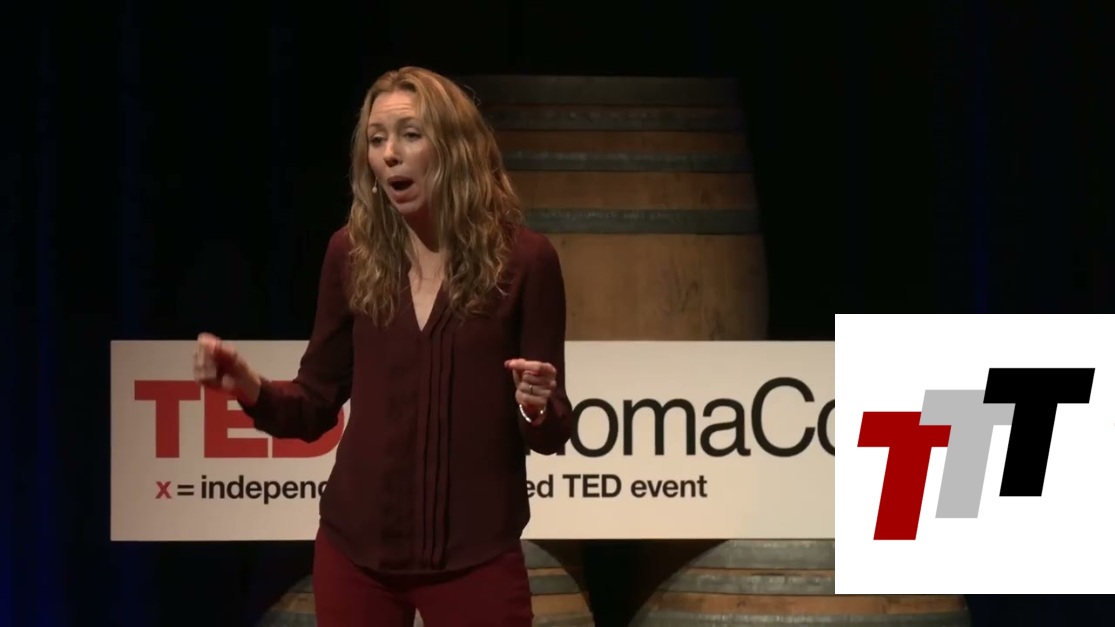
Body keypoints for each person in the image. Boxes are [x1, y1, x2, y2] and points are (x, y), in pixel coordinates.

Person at [192, 66, 573, 627]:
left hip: (476, 556)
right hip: (356, 555)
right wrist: (250, 388)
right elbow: (315, 405)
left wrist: (535, 406)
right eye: (376, 139)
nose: (390, 153)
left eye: (410, 135)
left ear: (456, 149)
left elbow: (551, 429)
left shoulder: (525, 261)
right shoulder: (350, 255)